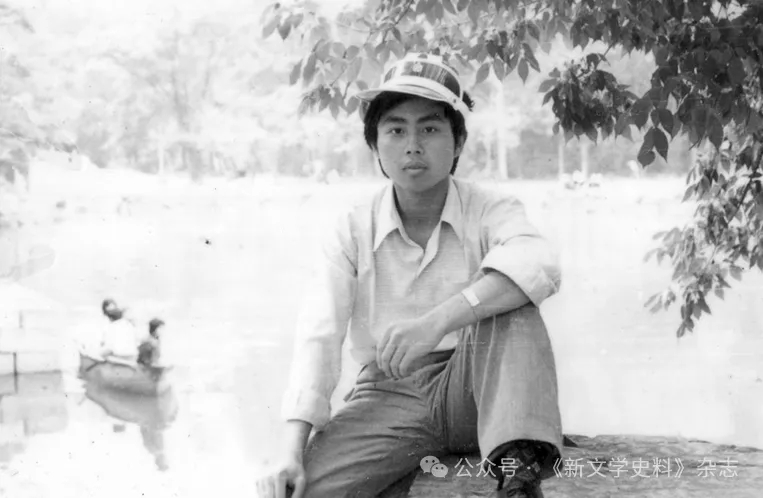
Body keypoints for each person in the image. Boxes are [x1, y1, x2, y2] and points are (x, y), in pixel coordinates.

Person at [256, 52, 564, 498]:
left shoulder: (490, 209)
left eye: (430, 129)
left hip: (477, 391)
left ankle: (519, 479)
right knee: (303, 492)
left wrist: (437, 321)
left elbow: (540, 262)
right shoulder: (352, 227)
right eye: (396, 130)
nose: (413, 145)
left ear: (458, 143)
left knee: (513, 298)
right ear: (375, 144)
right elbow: (319, 335)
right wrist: (290, 450)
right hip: (389, 395)